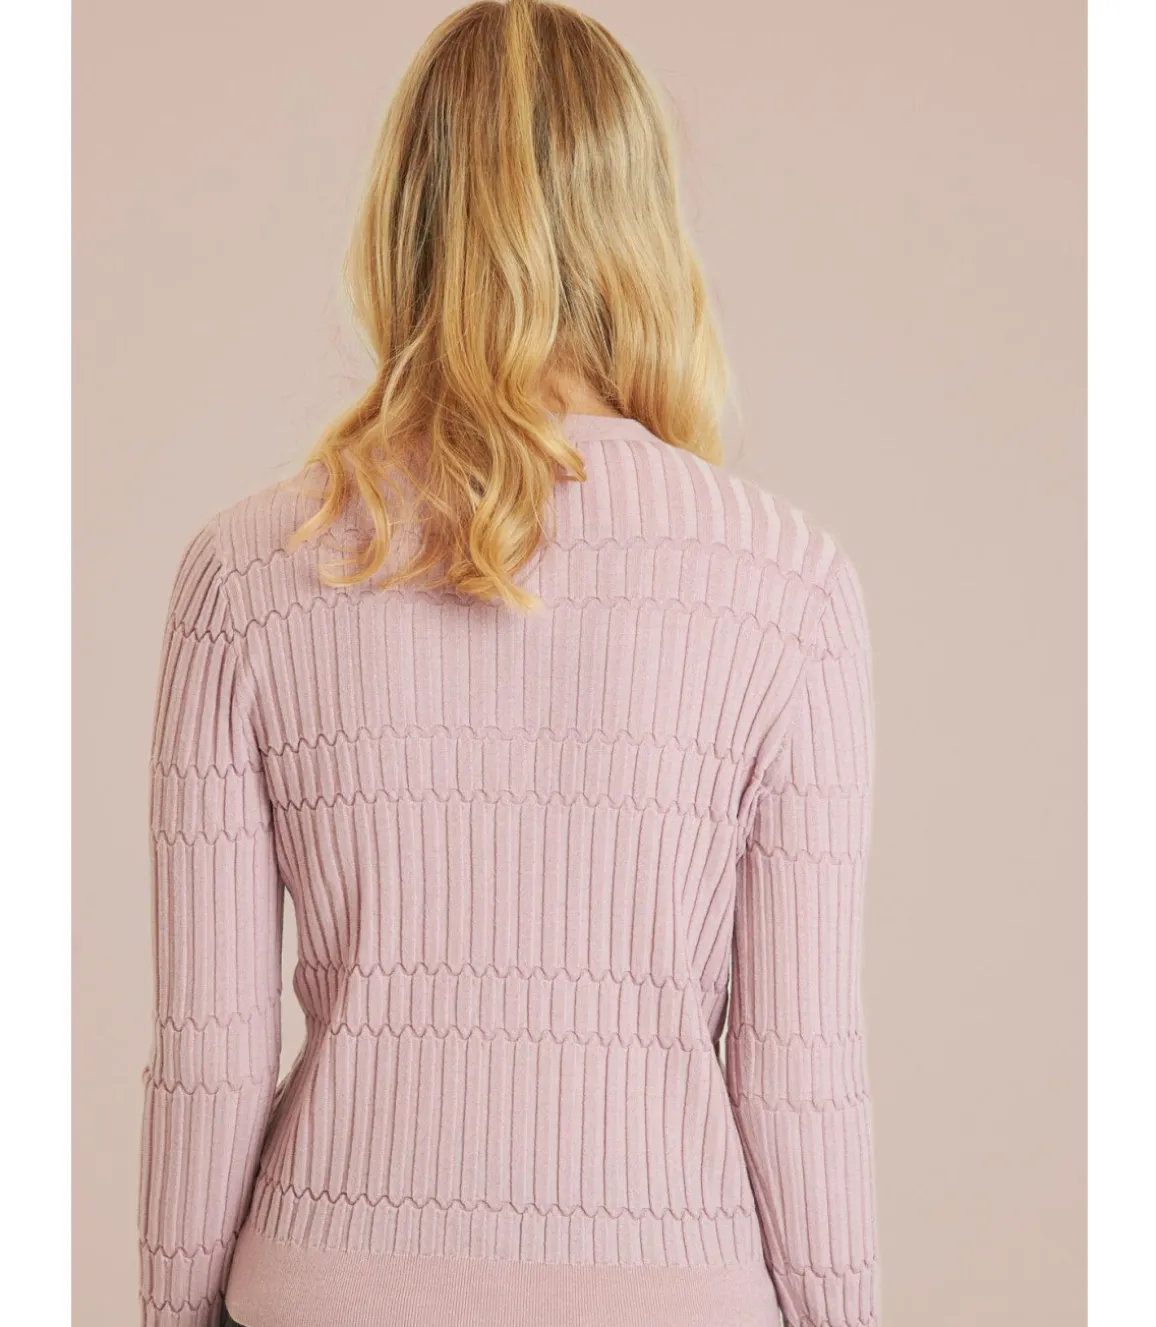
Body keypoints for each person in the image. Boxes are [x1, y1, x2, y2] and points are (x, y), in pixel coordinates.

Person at [136, 2, 881, 1324]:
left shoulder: (245, 574)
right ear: (642, 225)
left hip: (328, 1282)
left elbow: (211, 1051)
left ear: (405, 218)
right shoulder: (790, 584)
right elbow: (797, 1068)